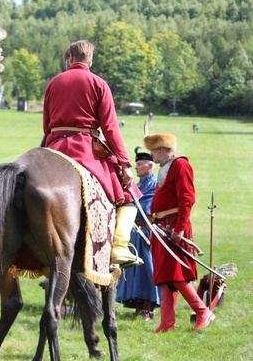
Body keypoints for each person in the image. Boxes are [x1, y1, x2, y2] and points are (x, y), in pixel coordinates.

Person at [42, 40, 142, 268]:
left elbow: (46, 125)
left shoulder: (54, 83)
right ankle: (119, 247)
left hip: (55, 147)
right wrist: (124, 165)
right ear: (90, 60)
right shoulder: (99, 83)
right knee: (128, 194)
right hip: (85, 148)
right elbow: (110, 128)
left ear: (70, 58)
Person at [144, 132, 214, 332]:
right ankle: (167, 323)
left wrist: (180, 228)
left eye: (152, 152)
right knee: (164, 275)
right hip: (162, 227)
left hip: (174, 225)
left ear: (160, 149)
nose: (151, 157)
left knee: (176, 274)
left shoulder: (180, 165)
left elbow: (187, 199)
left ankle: (202, 311)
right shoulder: (165, 168)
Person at [116, 148, 160, 320]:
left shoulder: (154, 184)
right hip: (132, 230)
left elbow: (147, 207)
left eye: (141, 164)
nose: (137, 167)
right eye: (137, 164)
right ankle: (138, 305)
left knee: (147, 269)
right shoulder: (137, 184)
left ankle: (149, 307)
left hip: (146, 231)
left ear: (150, 165)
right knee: (134, 270)